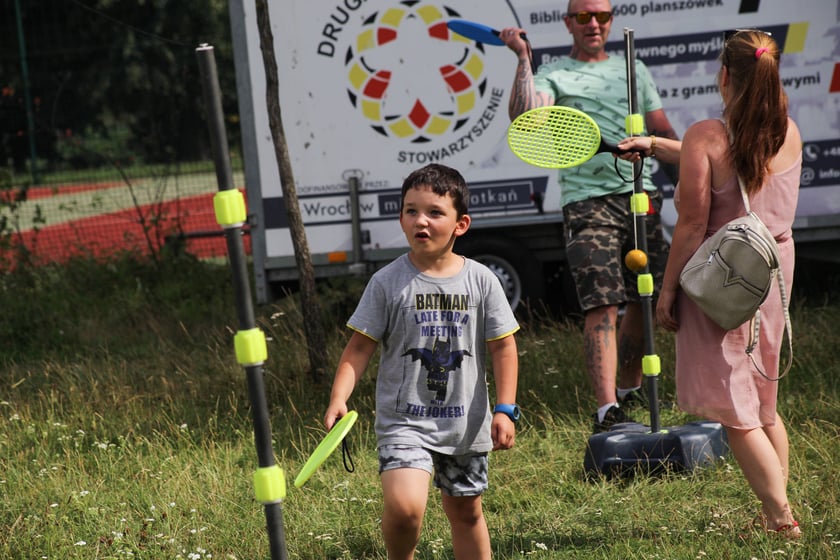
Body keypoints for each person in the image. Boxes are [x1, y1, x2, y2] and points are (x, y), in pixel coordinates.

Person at [618, 30, 803, 538]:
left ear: (724, 75)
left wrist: (669, 289)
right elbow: (732, 156)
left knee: (735, 410)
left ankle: (781, 519)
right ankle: (776, 509)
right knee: (763, 403)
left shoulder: (707, 135)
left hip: (722, 274)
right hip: (771, 271)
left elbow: (694, 222)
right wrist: (657, 145)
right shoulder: (788, 132)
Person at [499, 0, 679, 433]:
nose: (593, 23)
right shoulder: (553, 73)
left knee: (645, 298)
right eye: (583, 16)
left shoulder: (634, 69)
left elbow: (662, 131)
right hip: (587, 202)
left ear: (611, 20)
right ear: (568, 23)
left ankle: (629, 390)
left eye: (601, 15)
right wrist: (523, 59)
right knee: (603, 302)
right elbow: (525, 116)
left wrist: (692, 183)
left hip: (641, 195)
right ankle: (606, 411)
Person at [323, 163, 521, 559]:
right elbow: (359, 348)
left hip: (465, 424)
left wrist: (505, 409)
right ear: (401, 219)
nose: (421, 221)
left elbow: (504, 347)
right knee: (405, 510)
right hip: (404, 423)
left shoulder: (482, 280)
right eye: (411, 211)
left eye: (434, 212)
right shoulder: (386, 282)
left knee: (466, 513)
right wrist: (338, 397)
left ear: (461, 224)